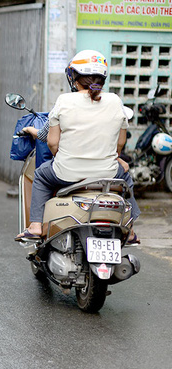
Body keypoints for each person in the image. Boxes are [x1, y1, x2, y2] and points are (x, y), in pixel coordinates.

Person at [16, 50, 141, 244]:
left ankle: (35, 226)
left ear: (73, 77)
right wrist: (114, 157)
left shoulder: (64, 101)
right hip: (106, 173)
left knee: (40, 175)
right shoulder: (115, 101)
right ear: (102, 77)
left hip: (66, 172)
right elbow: (120, 143)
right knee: (125, 174)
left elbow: (52, 142)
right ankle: (130, 230)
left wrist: (62, 155)